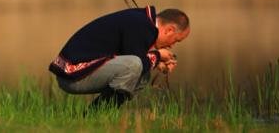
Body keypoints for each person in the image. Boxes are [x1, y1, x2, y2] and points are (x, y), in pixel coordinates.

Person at [49, 6, 190, 109]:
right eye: (176, 40)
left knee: (143, 75)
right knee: (134, 65)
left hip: (75, 73)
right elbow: (135, 61)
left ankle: (97, 114)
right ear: (169, 30)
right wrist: (158, 55)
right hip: (72, 76)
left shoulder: (143, 22)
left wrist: (156, 61)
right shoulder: (140, 25)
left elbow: (133, 56)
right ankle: (96, 113)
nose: (172, 46)